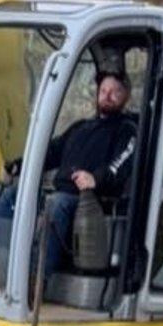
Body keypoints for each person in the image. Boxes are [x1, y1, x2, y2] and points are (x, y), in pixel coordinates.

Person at [41, 70, 138, 275]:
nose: (107, 96)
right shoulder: (81, 127)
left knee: (57, 205)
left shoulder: (127, 130)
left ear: (126, 97)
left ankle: (39, 277)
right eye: (103, 90)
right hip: (60, 192)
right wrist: (18, 165)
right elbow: (50, 153)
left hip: (91, 198)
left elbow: (121, 163)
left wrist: (96, 179)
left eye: (115, 92)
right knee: (11, 196)